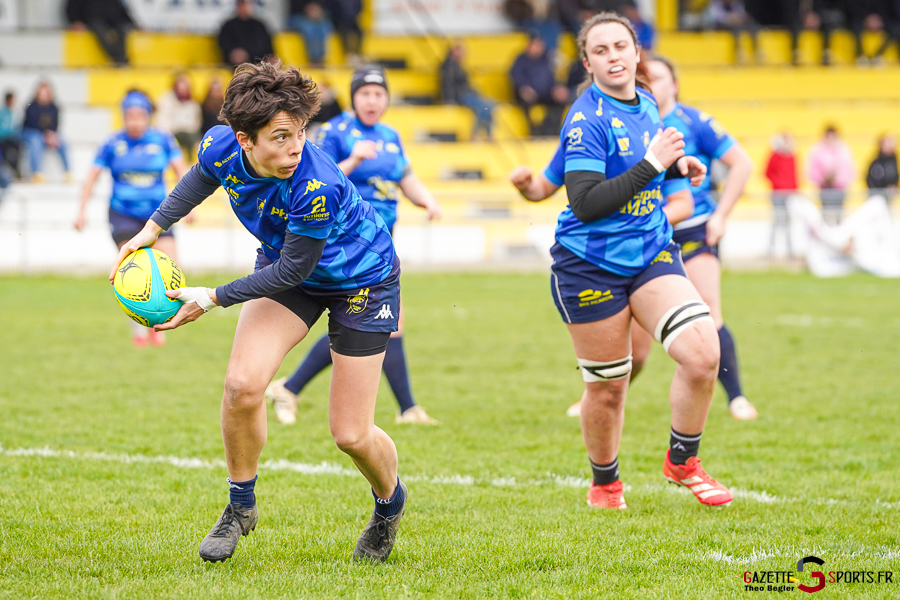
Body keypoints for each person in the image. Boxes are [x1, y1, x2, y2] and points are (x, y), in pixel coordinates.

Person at [109, 61, 408, 563]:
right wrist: (153, 227)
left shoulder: (315, 183)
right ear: (244, 138)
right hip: (290, 266)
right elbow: (203, 177)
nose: (296, 147)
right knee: (242, 386)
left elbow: (292, 271)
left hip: (362, 282)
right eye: (282, 136)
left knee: (350, 434)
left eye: (301, 133)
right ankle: (240, 504)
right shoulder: (220, 143)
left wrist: (212, 296)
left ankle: (389, 503)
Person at [539, 12, 731, 510]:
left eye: (620, 46)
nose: (613, 56)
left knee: (703, 352)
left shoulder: (646, 102)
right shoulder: (585, 120)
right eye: (600, 50)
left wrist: (679, 166)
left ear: (637, 52)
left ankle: (683, 460)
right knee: (608, 390)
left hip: (649, 252)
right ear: (588, 62)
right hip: (589, 266)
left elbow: (658, 171)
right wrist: (654, 164)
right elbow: (585, 202)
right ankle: (605, 484)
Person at [265, 65, 442, 426]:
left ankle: (292, 388)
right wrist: (355, 158)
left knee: (374, 323)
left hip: (379, 246)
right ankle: (407, 408)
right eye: (365, 93)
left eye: (379, 94)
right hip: (343, 245)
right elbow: (312, 178)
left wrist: (428, 200)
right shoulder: (335, 132)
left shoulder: (391, 135)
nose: (372, 100)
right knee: (384, 322)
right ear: (353, 97)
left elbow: (406, 177)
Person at [75, 90, 190, 347]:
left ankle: (160, 327)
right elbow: (91, 177)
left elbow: (182, 171)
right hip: (123, 214)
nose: (135, 121)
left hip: (160, 214)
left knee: (171, 267)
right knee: (131, 272)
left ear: (148, 117)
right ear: (123, 116)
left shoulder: (162, 140)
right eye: (130, 116)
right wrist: (81, 210)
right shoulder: (112, 143)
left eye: (140, 116)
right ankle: (139, 332)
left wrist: (190, 207)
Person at [509, 33, 570, 137]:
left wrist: (558, 88)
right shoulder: (521, 60)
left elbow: (554, 78)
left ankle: (551, 129)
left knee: (561, 100)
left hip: (546, 92)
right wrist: (524, 87)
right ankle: (533, 131)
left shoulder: (547, 59)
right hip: (527, 93)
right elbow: (515, 76)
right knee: (526, 101)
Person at [440, 43, 495, 140]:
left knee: (490, 105)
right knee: (484, 107)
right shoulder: (448, 66)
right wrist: (449, 100)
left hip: (467, 93)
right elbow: (447, 84)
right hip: (461, 95)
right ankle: (476, 133)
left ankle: (488, 134)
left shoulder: (458, 65)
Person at [21, 82, 71, 183]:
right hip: (30, 133)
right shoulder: (31, 105)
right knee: (36, 140)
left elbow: (55, 124)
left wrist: (51, 135)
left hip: (47, 134)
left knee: (62, 141)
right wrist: (46, 134)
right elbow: (32, 124)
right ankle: (36, 173)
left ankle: (68, 172)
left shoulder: (54, 107)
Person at [807, 125, 855, 225]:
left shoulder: (844, 150)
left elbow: (849, 169)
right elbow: (812, 169)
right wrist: (822, 178)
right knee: (825, 216)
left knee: (839, 217)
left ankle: (838, 238)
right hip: (824, 188)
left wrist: (838, 179)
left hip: (839, 189)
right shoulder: (817, 150)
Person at [66, 0, 134, 65]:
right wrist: (75, 20)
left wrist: (132, 23)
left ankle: (120, 58)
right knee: (101, 32)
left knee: (123, 29)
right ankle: (119, 59)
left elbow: (121, 9)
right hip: (93, 20)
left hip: (113, 21)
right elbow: (72, 7)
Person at [764, 131, 799, 258]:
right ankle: (771, 251)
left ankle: (790, 251)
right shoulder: (775, 156)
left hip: (789, 194)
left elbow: (795, 174)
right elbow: (767, 172)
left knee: (788, 223)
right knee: (777, 222)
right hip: (778, 194)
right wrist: (778, 184)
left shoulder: (792, 155)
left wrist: (794, 189)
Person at [156, 73, 202, 160]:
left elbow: (195, 124)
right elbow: (162, 122)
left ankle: (197, 160)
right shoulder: (165, 100)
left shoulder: (193, 103)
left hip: (189, 133)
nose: (183, 90)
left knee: (196, 139)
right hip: (171, 132)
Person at [218, 0, 276, 68]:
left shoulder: (259, 25)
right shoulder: (228, 25)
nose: (245, 8)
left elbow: (267, 44)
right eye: (242, 5)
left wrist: (270, 56)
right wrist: (233, 53)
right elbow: (224, 43)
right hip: (236, 64)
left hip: (260, 62)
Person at [288, 0, 334, 67]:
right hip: (295, 16)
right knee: (309, 29)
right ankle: (314, 60)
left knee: (325, 26)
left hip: (313, 15)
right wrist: (308, 9)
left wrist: (319, 10)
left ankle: (322, 59)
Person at [866, 133, 898, 201]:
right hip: (878, 198)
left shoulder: (895, 161)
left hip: (890, 198)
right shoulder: (877, 163)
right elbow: (872, 179)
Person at [0, 91, 22, 180]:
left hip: (12, 138)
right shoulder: (3, 113)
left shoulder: (15, 113)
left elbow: (16, 127)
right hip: (2, 137)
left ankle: (16, 169)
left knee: (17, 148)